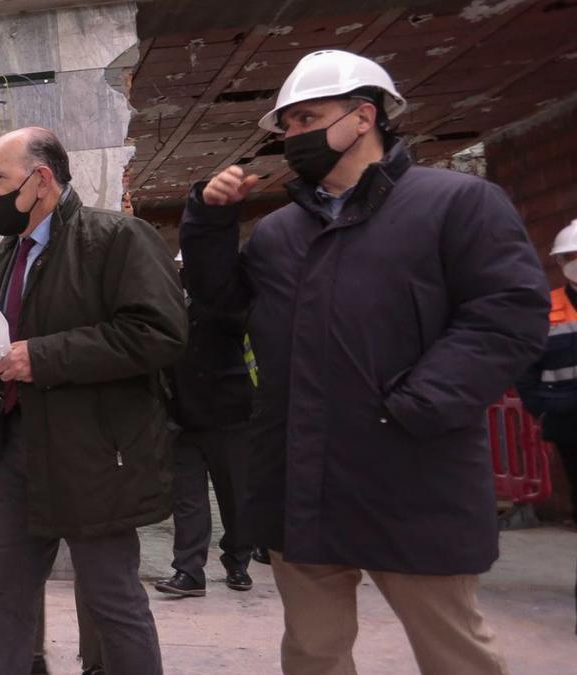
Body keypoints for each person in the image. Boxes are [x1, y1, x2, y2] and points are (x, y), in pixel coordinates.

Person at [180, 49, 549, 674]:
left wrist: (416, 406)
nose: (293, 137)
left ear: (363, 116)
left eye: (306, 119)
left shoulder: (458, 204)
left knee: (453, 650)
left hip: (410, 473)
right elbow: (221, 307)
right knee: (314, 651)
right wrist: (210, 222)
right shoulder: (278, 234)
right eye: (287, 126)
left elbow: (506, 315)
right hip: (303, 483)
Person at [0, 127, 186, 675]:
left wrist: (42, 357)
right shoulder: (6, 256)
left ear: (41, 181)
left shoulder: (117, 238)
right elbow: (8, 337)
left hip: (95, 457)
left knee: (111, 598)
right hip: (18, 451)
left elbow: (159, 333)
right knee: (6, 593)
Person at [155, 263, 254, 598]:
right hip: (181, 415)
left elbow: (241, 326)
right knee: (188, 499)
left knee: (235, 495)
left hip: (228, 415)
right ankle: (189, 570)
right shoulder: (165, 301)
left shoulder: (228, 301)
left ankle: (238, 560)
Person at [517, 218, 577, 523]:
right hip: (568, 419)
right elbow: (525, 366)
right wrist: (541, 409)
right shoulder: (545, 308)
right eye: (573, 258)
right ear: (561, 262)